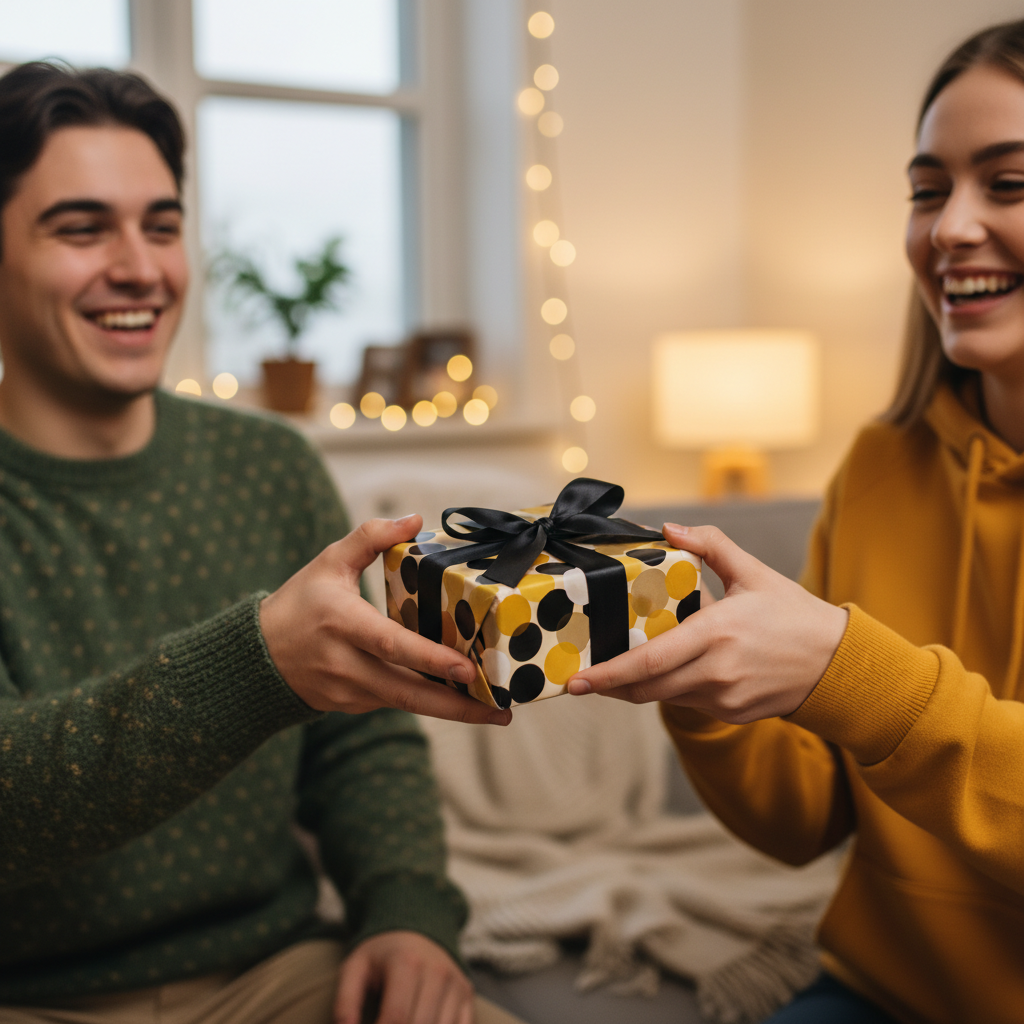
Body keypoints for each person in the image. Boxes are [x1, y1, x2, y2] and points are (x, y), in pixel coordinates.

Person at [0, 61, 520, 1024]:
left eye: (161, 225)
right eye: (81, 228)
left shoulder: (270, 467)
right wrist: (256, 666)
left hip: (277, 975)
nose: (141, 267)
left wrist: (405, 914)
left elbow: (362, 744)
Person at [566, 18, 1024, 1024]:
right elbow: (802, 821)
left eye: (1008, 182)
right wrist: (696, 686)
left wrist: (854, 673)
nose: (949, 228)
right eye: (925, 189)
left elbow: (862, 689)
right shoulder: (876, 469)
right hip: (880, 991)